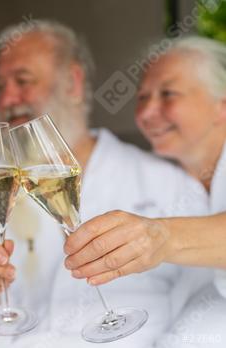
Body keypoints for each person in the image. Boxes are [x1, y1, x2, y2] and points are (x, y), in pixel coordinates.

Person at [0, 20, 213, 347]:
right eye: (1, 85)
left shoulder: (166, 182)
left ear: (72, 83)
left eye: (23, 80)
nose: (9, 98)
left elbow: (203, 302)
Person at [64, 37, 226, 292]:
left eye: (168, 94)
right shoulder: (162, 176)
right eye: (142, 97)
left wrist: (162, 238)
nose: (147, 113)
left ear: (222, 106)